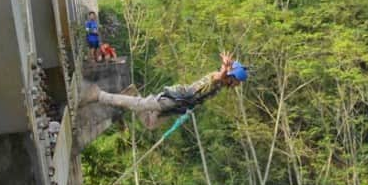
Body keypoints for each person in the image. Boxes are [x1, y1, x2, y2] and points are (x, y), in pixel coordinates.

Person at [80, 52, 249, 130]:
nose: (237, 86)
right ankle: (98, 94)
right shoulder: (217, 79)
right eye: (237, 82)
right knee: (141, 105)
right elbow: (218, 76)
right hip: (176, 98)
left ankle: (131, 93)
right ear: (231, 77)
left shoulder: (219, 87)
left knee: (150, 124)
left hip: (179, 106)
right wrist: (226, 69)